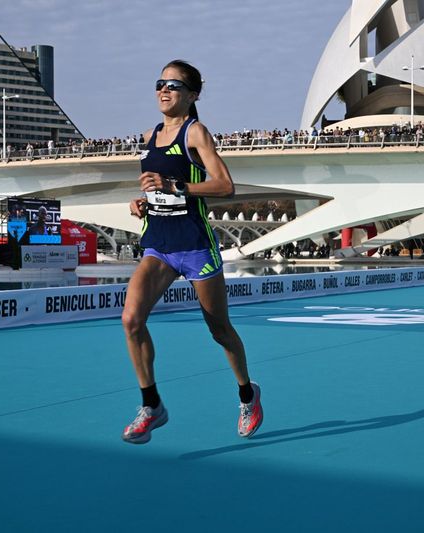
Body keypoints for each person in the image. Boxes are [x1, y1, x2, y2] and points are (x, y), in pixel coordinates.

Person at [121, 60, 263, 444]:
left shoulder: (195, 132)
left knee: (220, 331)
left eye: (174, 85)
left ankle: (248, 395)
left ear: (193, 94)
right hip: (159, 246)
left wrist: (174, 184)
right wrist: (143, 202)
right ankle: (152, 405)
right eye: (159, 84)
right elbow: (158, 192)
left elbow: (225, 186)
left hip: (196, 247)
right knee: (131, 320)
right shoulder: (149, 135)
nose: (164, 90)